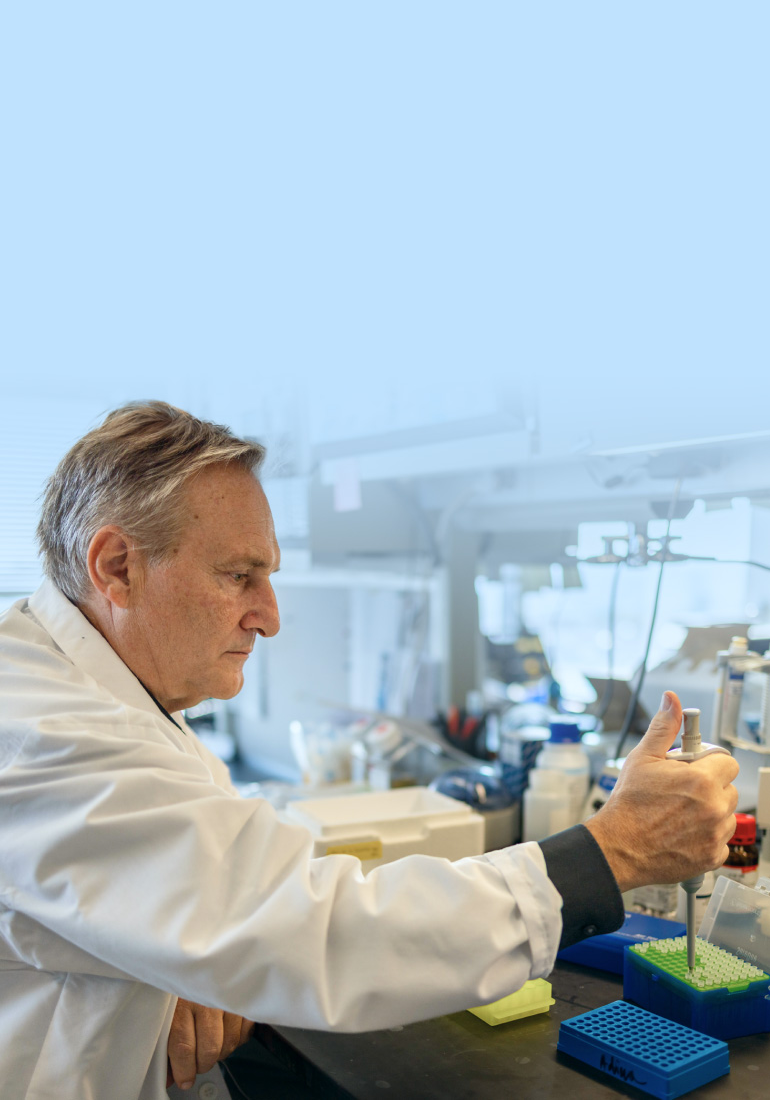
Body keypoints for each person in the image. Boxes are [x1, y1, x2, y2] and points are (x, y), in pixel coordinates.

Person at [0, 401, 739, 1100]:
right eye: (238, 575)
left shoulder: (88, 680)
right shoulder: (48, 733)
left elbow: (201, 884)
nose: (269, 616)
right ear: (116, 567)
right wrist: (610, 855)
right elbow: (317, 929)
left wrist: (184, 957)